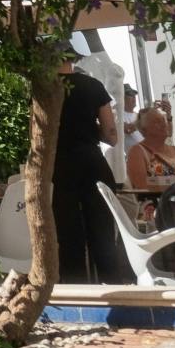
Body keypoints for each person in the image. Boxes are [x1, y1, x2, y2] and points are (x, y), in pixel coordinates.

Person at [53, 55, 128, 283]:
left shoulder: (45, 89)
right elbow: (111, 135)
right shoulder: (93, 86)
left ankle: (76, 294)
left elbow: (36, 137)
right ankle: (113, 289)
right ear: (73, 59)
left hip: (61, 166)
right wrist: (90, 130)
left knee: (69, 237)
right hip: (92, 164)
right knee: (103, 234)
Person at [125, 104, 175, 193]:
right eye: (157, 122)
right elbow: (141, 188)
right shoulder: (138, 152)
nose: (163, 124)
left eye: (163, 120)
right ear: (143, 130)